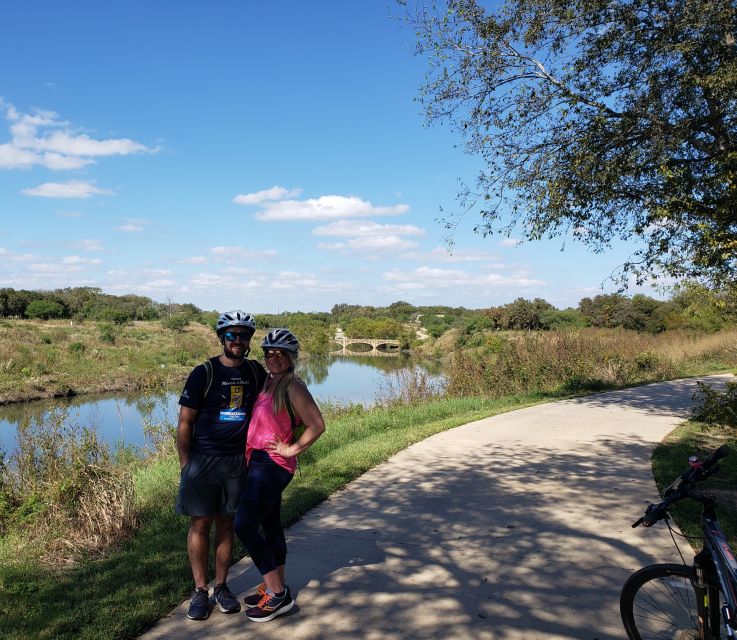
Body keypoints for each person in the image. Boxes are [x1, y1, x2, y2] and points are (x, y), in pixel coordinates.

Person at [176, 310, 267, 621]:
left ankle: (222, 586)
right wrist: (186, 463)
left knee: (227, 525)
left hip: (237, 462)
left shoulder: (256, 372)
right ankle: (201, 591)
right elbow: (185, 422)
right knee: (200, 524)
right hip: (202, 460)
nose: (239, 340)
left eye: (244, 335)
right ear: (222, 337)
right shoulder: (204, 372)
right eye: (232, 334)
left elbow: (276, 399)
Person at [235, 328, 326, 623]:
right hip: (258, 460)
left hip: (272, 465)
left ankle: (278, 595)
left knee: (244, 525)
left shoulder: (293, 387)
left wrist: (291, 450)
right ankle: (276, 583)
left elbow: (317, 425)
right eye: (269, 353)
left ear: (291, 358)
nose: (273, 358)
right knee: (271, 525)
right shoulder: (269, 382)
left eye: (280, 354)